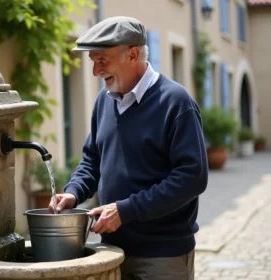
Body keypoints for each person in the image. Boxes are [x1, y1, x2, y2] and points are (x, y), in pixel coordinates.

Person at [49, 16, 208, 280]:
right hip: (111, 251)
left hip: (162, 256)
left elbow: (192, 178)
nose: (96, 72)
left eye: (102, 61)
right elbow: (92, 160)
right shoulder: (104, 101)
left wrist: (125, 210)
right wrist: (74, 193)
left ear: (133, 54)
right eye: (93, 62)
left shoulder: (176, 102)